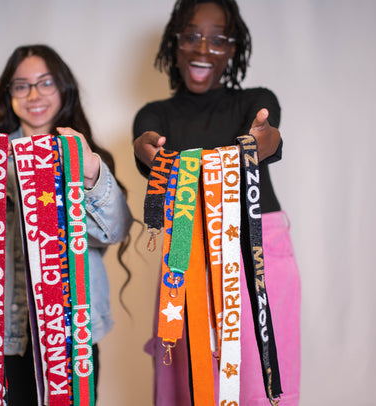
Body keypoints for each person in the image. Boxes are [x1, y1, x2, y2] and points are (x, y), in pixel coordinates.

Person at [0, 44, 133, 405]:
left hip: (70, 334)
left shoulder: (86, 156)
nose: (34, 94)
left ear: (63, 88)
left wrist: (90, 170)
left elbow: (114, 231)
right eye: (21, 85)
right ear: (8, 95)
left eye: (46, 82)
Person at [132, 1, 300, 405]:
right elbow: (146, 146)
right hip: (187, 249)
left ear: (234, 49)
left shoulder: (256, 100)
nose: (202, 49)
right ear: (175, 44)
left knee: (260, 382)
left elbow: (269, 138)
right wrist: (146, 152)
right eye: (191, 36)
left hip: (255, 250)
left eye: (218, 39)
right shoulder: (156, 114)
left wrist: (263, 140)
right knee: (186, 381)